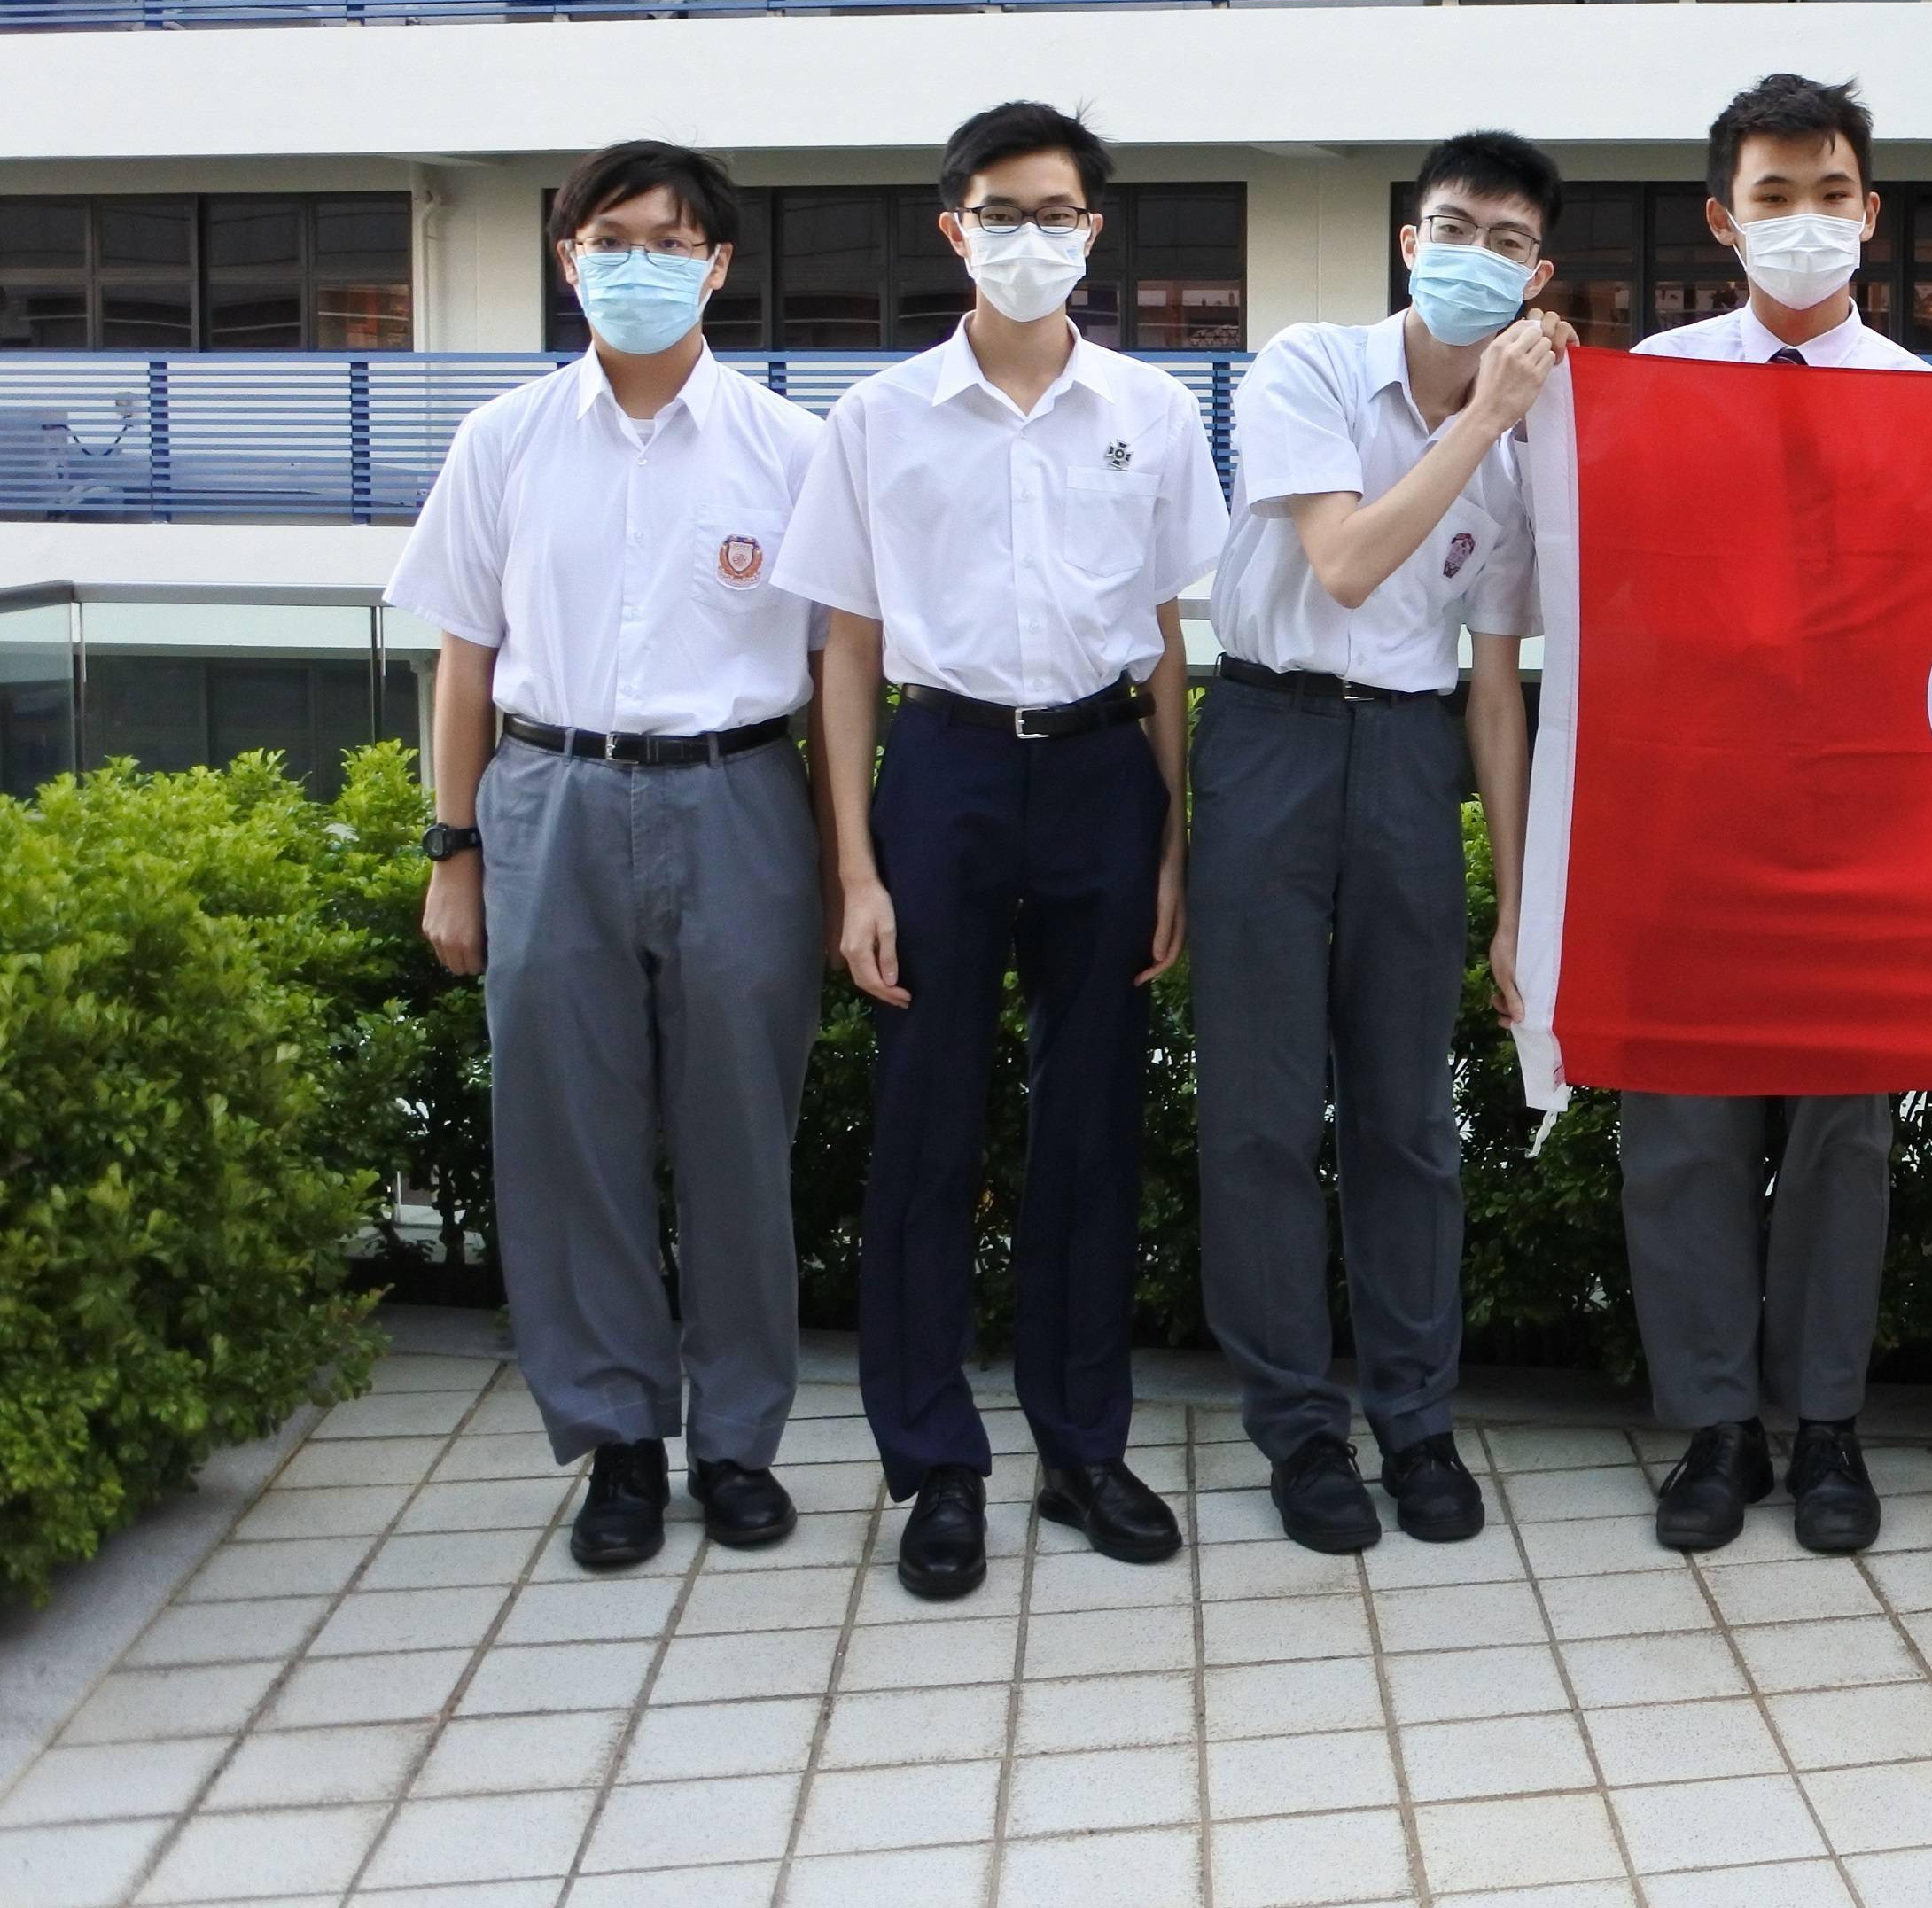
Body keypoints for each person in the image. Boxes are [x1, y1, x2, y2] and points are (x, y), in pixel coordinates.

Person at [776, 102, 1227, 1603]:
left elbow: (1167, 642)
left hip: (1104, 772)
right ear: (954, 227)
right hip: (948, 767)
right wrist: (856, 868)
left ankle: (1081, 1444)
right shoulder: (877, 419)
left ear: (1094, 232)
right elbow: (844, 650)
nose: (1031, 237)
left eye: (1059, 212)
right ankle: (937, 1459)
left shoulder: (1151, 414)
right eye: (1002, 211)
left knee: (1093, 1127)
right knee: (926, 1127)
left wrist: (1169, 843)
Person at [390, 141, 828, 1572]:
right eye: (612, 237)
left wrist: (845, 865)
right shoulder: (502, 440)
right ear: (568, 256)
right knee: (566, 1138)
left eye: (673, 240)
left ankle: (738, 1441)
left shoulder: (789, 448)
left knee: (739, 1138)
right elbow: (464, 662)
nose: (641, 262)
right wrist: (454, 849)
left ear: (719, 265)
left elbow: (840, 679)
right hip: (550, 797)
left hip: (741, 800)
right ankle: (619, 1442)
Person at [1195, 130, 1567, 1558]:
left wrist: (1516, 903)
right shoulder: (1307, 366)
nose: (1476, 255)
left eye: (1507, 238)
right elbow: (1344, 560)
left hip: (1411, 759)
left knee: (1409, 1119)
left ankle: (1416, 1415)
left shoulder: (1532, 449)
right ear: (1411, 240)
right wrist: (1482, 421)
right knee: (1266, 1119)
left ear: (1538, 272)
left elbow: (1495, 688)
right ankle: (1299, 1427)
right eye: (1453, 226)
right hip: (1274, 739)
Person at [1615, 74, 1932, 1557]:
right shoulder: (1647, 384)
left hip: (1857, 812)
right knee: (1683, 1124)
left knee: (1841, 1135)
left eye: (1829, 194)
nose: (1803, 221)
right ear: (1722, 218)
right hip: (1689, 802)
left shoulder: (1927, 404)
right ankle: (1715, 1425)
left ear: (1869, 213)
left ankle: (1828, 1423)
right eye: (1771, 195)